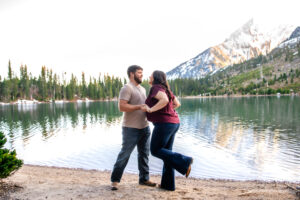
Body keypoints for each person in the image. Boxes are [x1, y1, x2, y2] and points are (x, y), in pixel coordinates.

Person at [141, 70, 193, 191]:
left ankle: (185, 161)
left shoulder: (156, 88)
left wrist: (151, 110)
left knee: (155, 150)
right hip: (174, 123)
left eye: (151, 75)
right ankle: (168, 185)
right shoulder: (166, 89)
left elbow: (164, 100)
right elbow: (177, 104)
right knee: (167, 154)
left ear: (155, 78)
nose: (149, 76)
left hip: (164, 124)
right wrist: (166, 111)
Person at [110, 65, 156, 190]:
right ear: (131, 74)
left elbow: (144, 106)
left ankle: (144, 179)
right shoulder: (126, 88)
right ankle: (115, 180)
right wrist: (138, 107)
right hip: (130, 128)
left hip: (145, 127)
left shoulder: (142, 89)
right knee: (125, 154)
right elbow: (122, 107)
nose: (141, 75)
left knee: (144, 154)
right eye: (139, 73)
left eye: (142, 72)